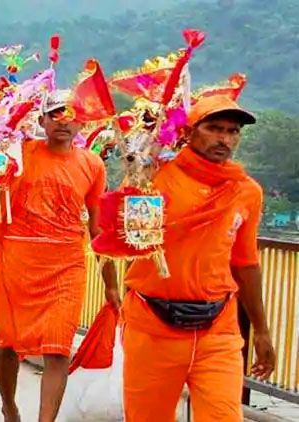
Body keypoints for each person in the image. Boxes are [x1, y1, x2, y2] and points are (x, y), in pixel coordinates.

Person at [0, 90, 118, 422]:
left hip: (67, 264)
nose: (63, 121)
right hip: (17, 260)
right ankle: (9, 406)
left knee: (58, 349)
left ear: (81, 123)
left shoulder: (92, 164)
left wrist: (111, 283)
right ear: (42, 120)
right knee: (7, 344)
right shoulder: (17, 156)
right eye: (55, 113)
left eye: (71, 115)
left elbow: (98, 227)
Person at [121, 95, 276, 421]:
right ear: (189, 132)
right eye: (214, 128)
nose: (225, 138)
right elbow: (131, 243)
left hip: (218, 328)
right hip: (153, 325)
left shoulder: (246, 191)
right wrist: (137, 189)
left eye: (233, 131)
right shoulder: (152, 179)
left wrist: (261, 329)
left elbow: (246, 263)